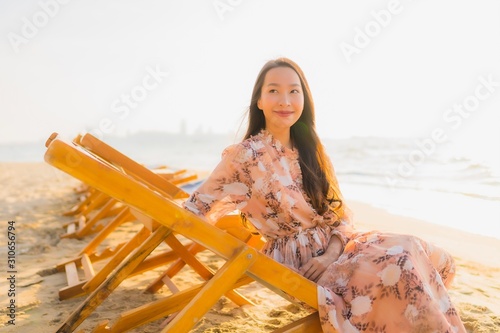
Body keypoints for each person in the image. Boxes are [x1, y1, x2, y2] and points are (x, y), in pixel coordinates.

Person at [183, 57, 466, 333]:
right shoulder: (244, 156)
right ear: (259, 101)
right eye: (273, 91)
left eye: (294, 91)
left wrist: (330, 253)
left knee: (423, 252)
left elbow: (340, 214)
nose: (285, 100)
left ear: (304, 99)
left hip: (338, 248)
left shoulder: (312, 149)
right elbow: (196, 208)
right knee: (400, 263)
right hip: (302, 265)